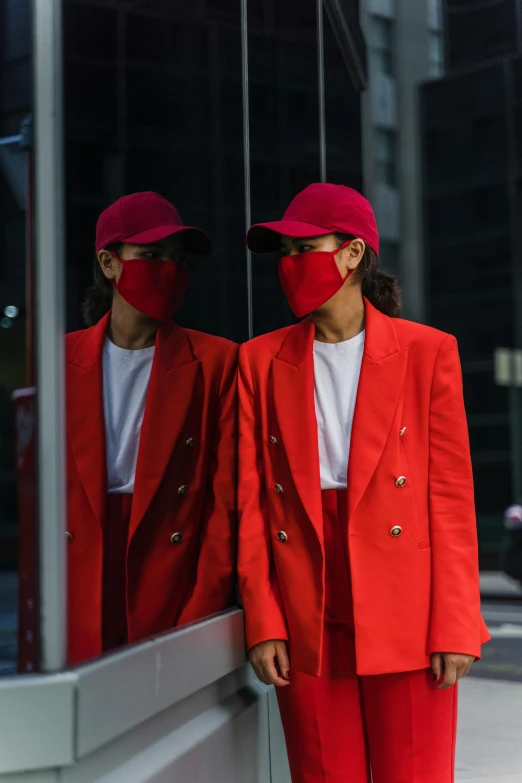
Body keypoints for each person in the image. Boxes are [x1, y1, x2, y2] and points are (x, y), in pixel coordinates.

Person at [238, 183, 490, 783]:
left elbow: (450, 497)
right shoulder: (257, 360)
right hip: (306, 598)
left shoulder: (429, 352)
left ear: (352, 254)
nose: (290, 264)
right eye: (285, 252)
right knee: (323, 773)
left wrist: (455, 623)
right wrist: (263, 620)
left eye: (305, 247)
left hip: (407, 599)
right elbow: (247, 501)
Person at [66, 191, 237, 665]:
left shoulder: (216, 360)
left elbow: (226, 507)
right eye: (150, 255)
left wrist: (201, 612)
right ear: (109, 262)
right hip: (81, 573)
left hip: (169, 575)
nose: (168, 269)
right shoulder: (58, 361)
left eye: (177, 259)